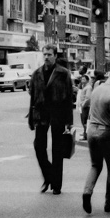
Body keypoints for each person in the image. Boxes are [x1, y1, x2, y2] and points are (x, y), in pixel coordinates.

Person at [27, 45, 74, 195]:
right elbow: (33, 98)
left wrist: (69, 121)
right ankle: (48, 177)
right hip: (41, 115)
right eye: (44, 54)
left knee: (57, 150)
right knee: (39, 147)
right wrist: (30, 118)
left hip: (58, 114)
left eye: (49, 54)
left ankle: (56, 185)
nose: (46, 57)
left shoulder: (63, 73)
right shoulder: (36, 74)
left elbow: (68, 98)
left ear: (55, 56)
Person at [82, 65, 110, 214]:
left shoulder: (96, 89)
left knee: (95, 165)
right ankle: (109, 204)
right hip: (107, 133)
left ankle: (87, 192)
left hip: (92, 131)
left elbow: (88, 106)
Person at [77, 75, 93, 140]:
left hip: (86, 107)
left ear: (87, 80)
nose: (82, 80)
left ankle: (86, 135)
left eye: (83, 79)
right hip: (83, 106)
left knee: (85, 121)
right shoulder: (85, 87)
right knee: (83, 121)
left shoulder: (88, 87)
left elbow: (88, 98)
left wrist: (83, 105)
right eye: (82, 79)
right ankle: (84, 133)